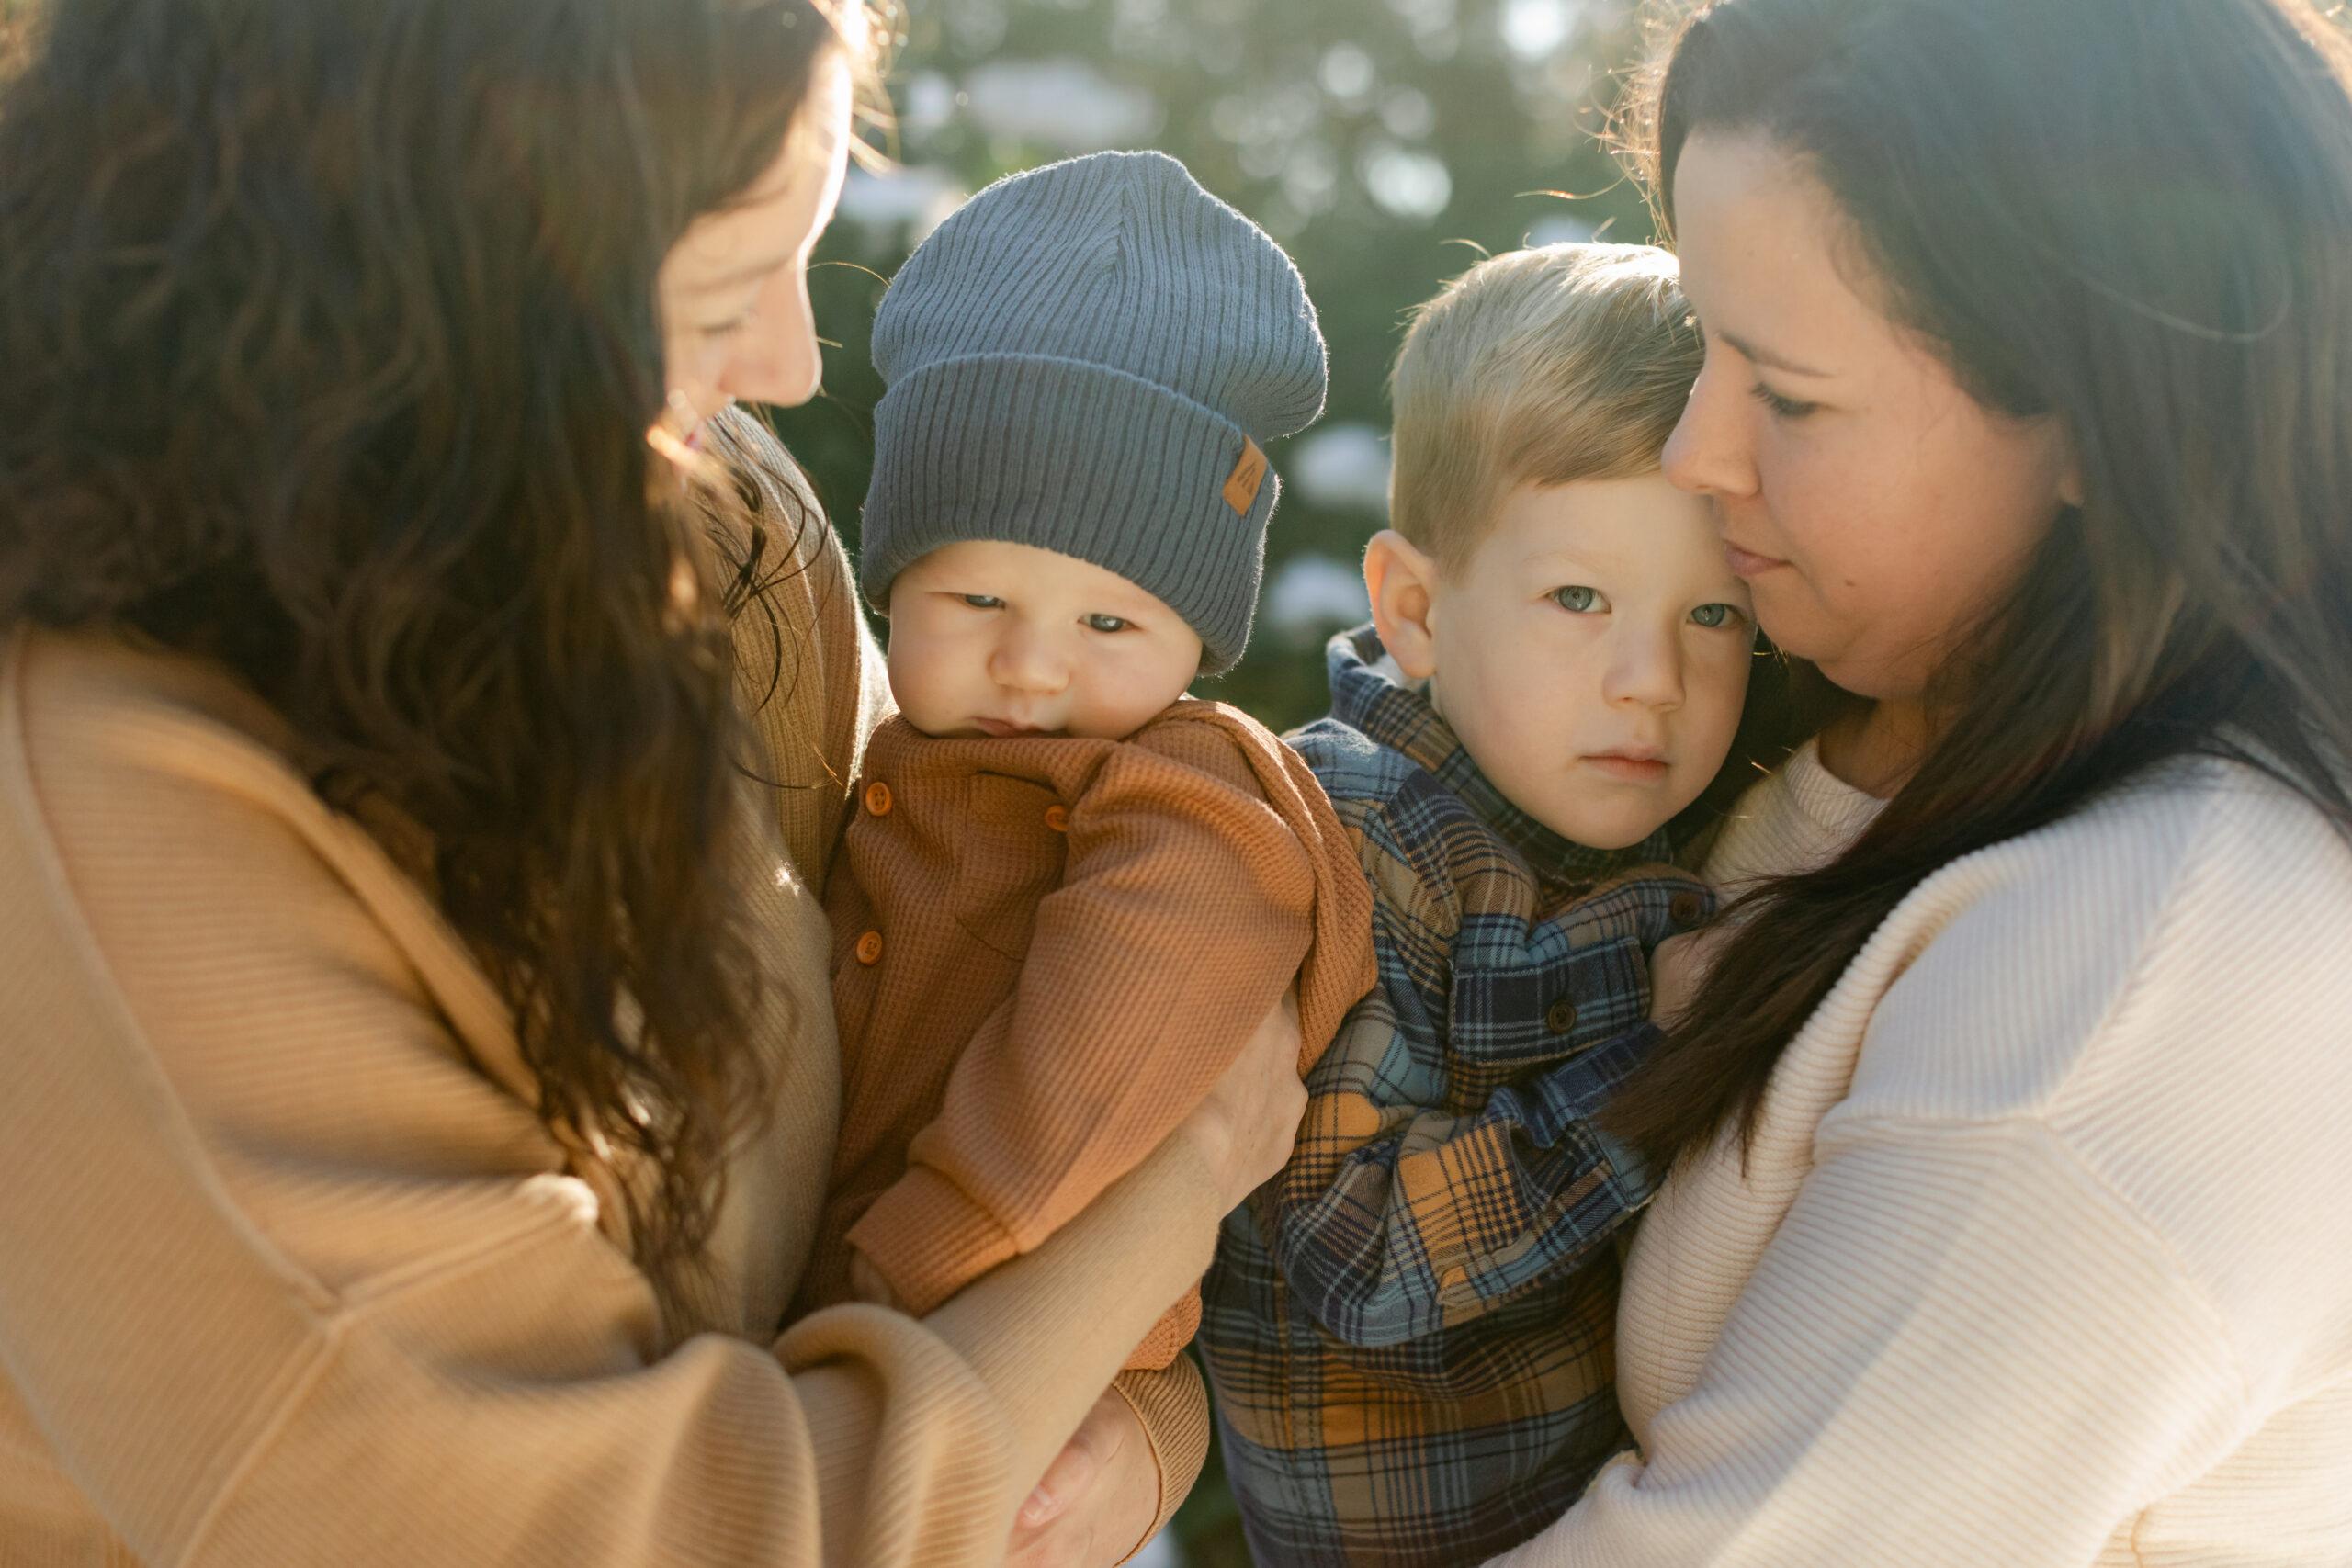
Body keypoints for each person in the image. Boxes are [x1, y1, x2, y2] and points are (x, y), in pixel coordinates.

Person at [0, 2, 1305, 1564]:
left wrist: (1136, 1430)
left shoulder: (711, 529)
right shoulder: (107, 845)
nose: (794, 358)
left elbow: (965, 986)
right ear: (417, 263)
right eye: (721, 278)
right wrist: (1185, 1186)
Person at [1489, 0, 2352, 1562]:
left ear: (2105, 418)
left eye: (1791, 395)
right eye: (1704, 349)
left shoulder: (2143, 978)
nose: (1698, 451)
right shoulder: (1849, 735)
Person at [1200, 243, 1784, 1568]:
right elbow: (1359, 1257)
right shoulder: (1359, 844)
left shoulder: (1608, 809)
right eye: (1579, 598)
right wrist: (1671, 1066)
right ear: (1413, 608)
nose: (1652, 679)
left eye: (1715, 614)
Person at [790, 150, 1376, 1382]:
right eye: (978, 596)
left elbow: (1083, 1094)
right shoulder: (873, 745)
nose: (1031, 668)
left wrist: (884, 1289)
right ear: (894, 579)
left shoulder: (1189, 807)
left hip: (963, 1339)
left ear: (1196, 638)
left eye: (1110, 626)